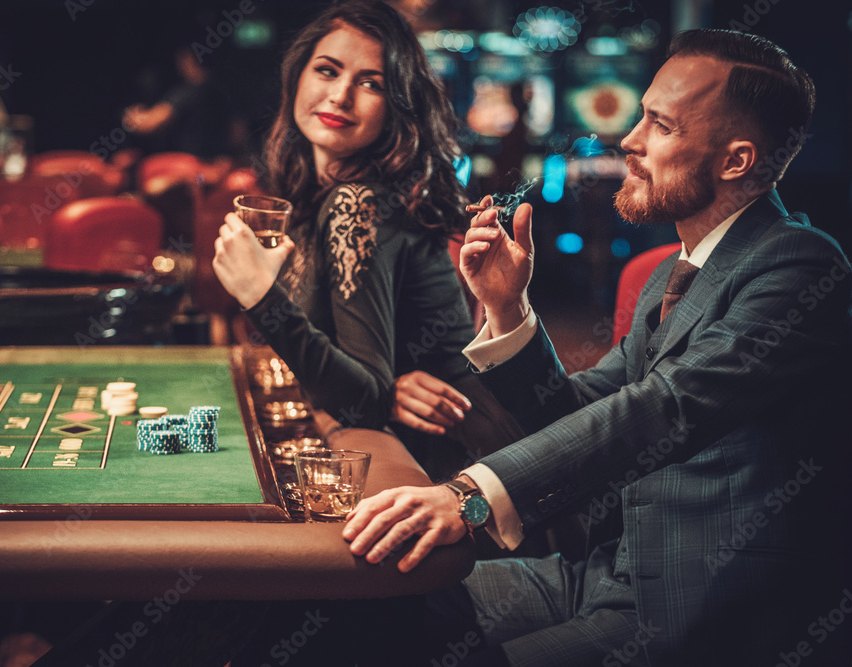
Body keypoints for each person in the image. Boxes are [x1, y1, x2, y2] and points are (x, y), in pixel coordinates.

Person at [343, 28, 852, 666]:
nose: (630, 141)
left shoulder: (800, 267)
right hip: (599, 577)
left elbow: (665, 410)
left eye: (660, 126)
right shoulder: (673, 276)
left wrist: (469, 497)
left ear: (735, 160)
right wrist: (509, 307)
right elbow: (575, 412)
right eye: (639, 116)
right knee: (358, 595)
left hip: (701, 610)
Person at [212, 0, 522, 481]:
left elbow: (365, 401)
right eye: (327, 71)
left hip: (461, 470)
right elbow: (370, 384)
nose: (339, 95)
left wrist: (260, 296)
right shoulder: (317, 196)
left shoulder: (356, 203)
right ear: (297, 77)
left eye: (371, 82)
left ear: (396, 104)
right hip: (438, 451)